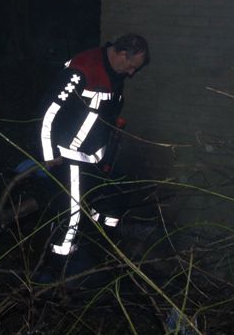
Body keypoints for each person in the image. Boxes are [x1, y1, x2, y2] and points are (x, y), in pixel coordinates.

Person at [37, 33, 149, 284]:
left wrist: (106, 156)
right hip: (68, 155)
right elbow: (48, 113)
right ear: (121, 54)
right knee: (71, 216)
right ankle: (52, 274)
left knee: (111, 201)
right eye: (131, 66)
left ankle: (96, 259)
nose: (132, 73)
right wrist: (49, 155)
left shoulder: (117, 74)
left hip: (94, 158)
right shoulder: (83, 69)